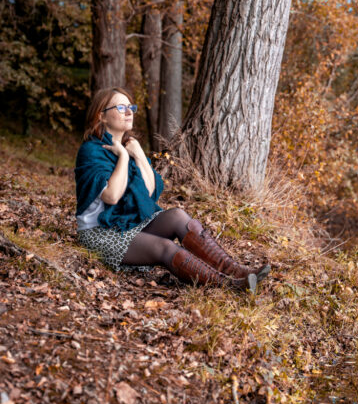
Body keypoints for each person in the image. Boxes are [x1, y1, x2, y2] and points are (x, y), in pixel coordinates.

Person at [74, 87, 270, 294]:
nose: (129, 112)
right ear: (101, 115)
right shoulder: (91, 151)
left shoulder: (129, 148)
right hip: (99, 233)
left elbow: (149, 193)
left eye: (130, 107)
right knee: (166, 247)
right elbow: (112, 196)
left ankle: (237, 270)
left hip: (127, 225)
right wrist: (123, 157)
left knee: (177, 215)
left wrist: (138, 155)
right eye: (121, 107)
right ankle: (230, 285)